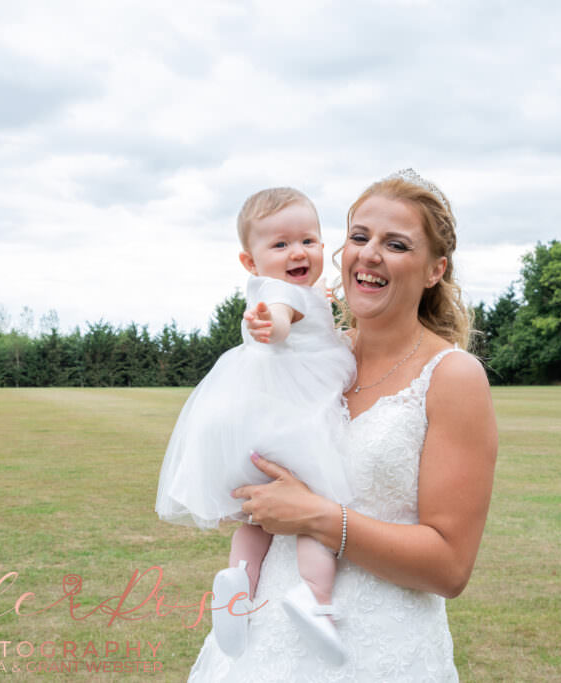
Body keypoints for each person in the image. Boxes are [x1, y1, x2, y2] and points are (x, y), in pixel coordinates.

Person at [187, 169, 499, 681]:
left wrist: (317, 517)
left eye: (396, 244)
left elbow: (450, 567)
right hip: (261, 644)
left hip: (379, 652)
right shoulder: (317, 354)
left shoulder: (454, 377)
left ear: (434, 270)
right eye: (359, 236)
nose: (369, 253)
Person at [155, 187, 356, 663]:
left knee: (255, 521)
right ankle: (315, 598)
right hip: (291, 426)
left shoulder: (296, 292)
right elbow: (282, 318)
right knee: (315, 506)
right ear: (250, 261)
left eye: (308, 240)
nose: (298, 252)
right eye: (280, 244)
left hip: (255, 426)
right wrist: (276, 326)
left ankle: (236, 588)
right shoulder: (282, 297)